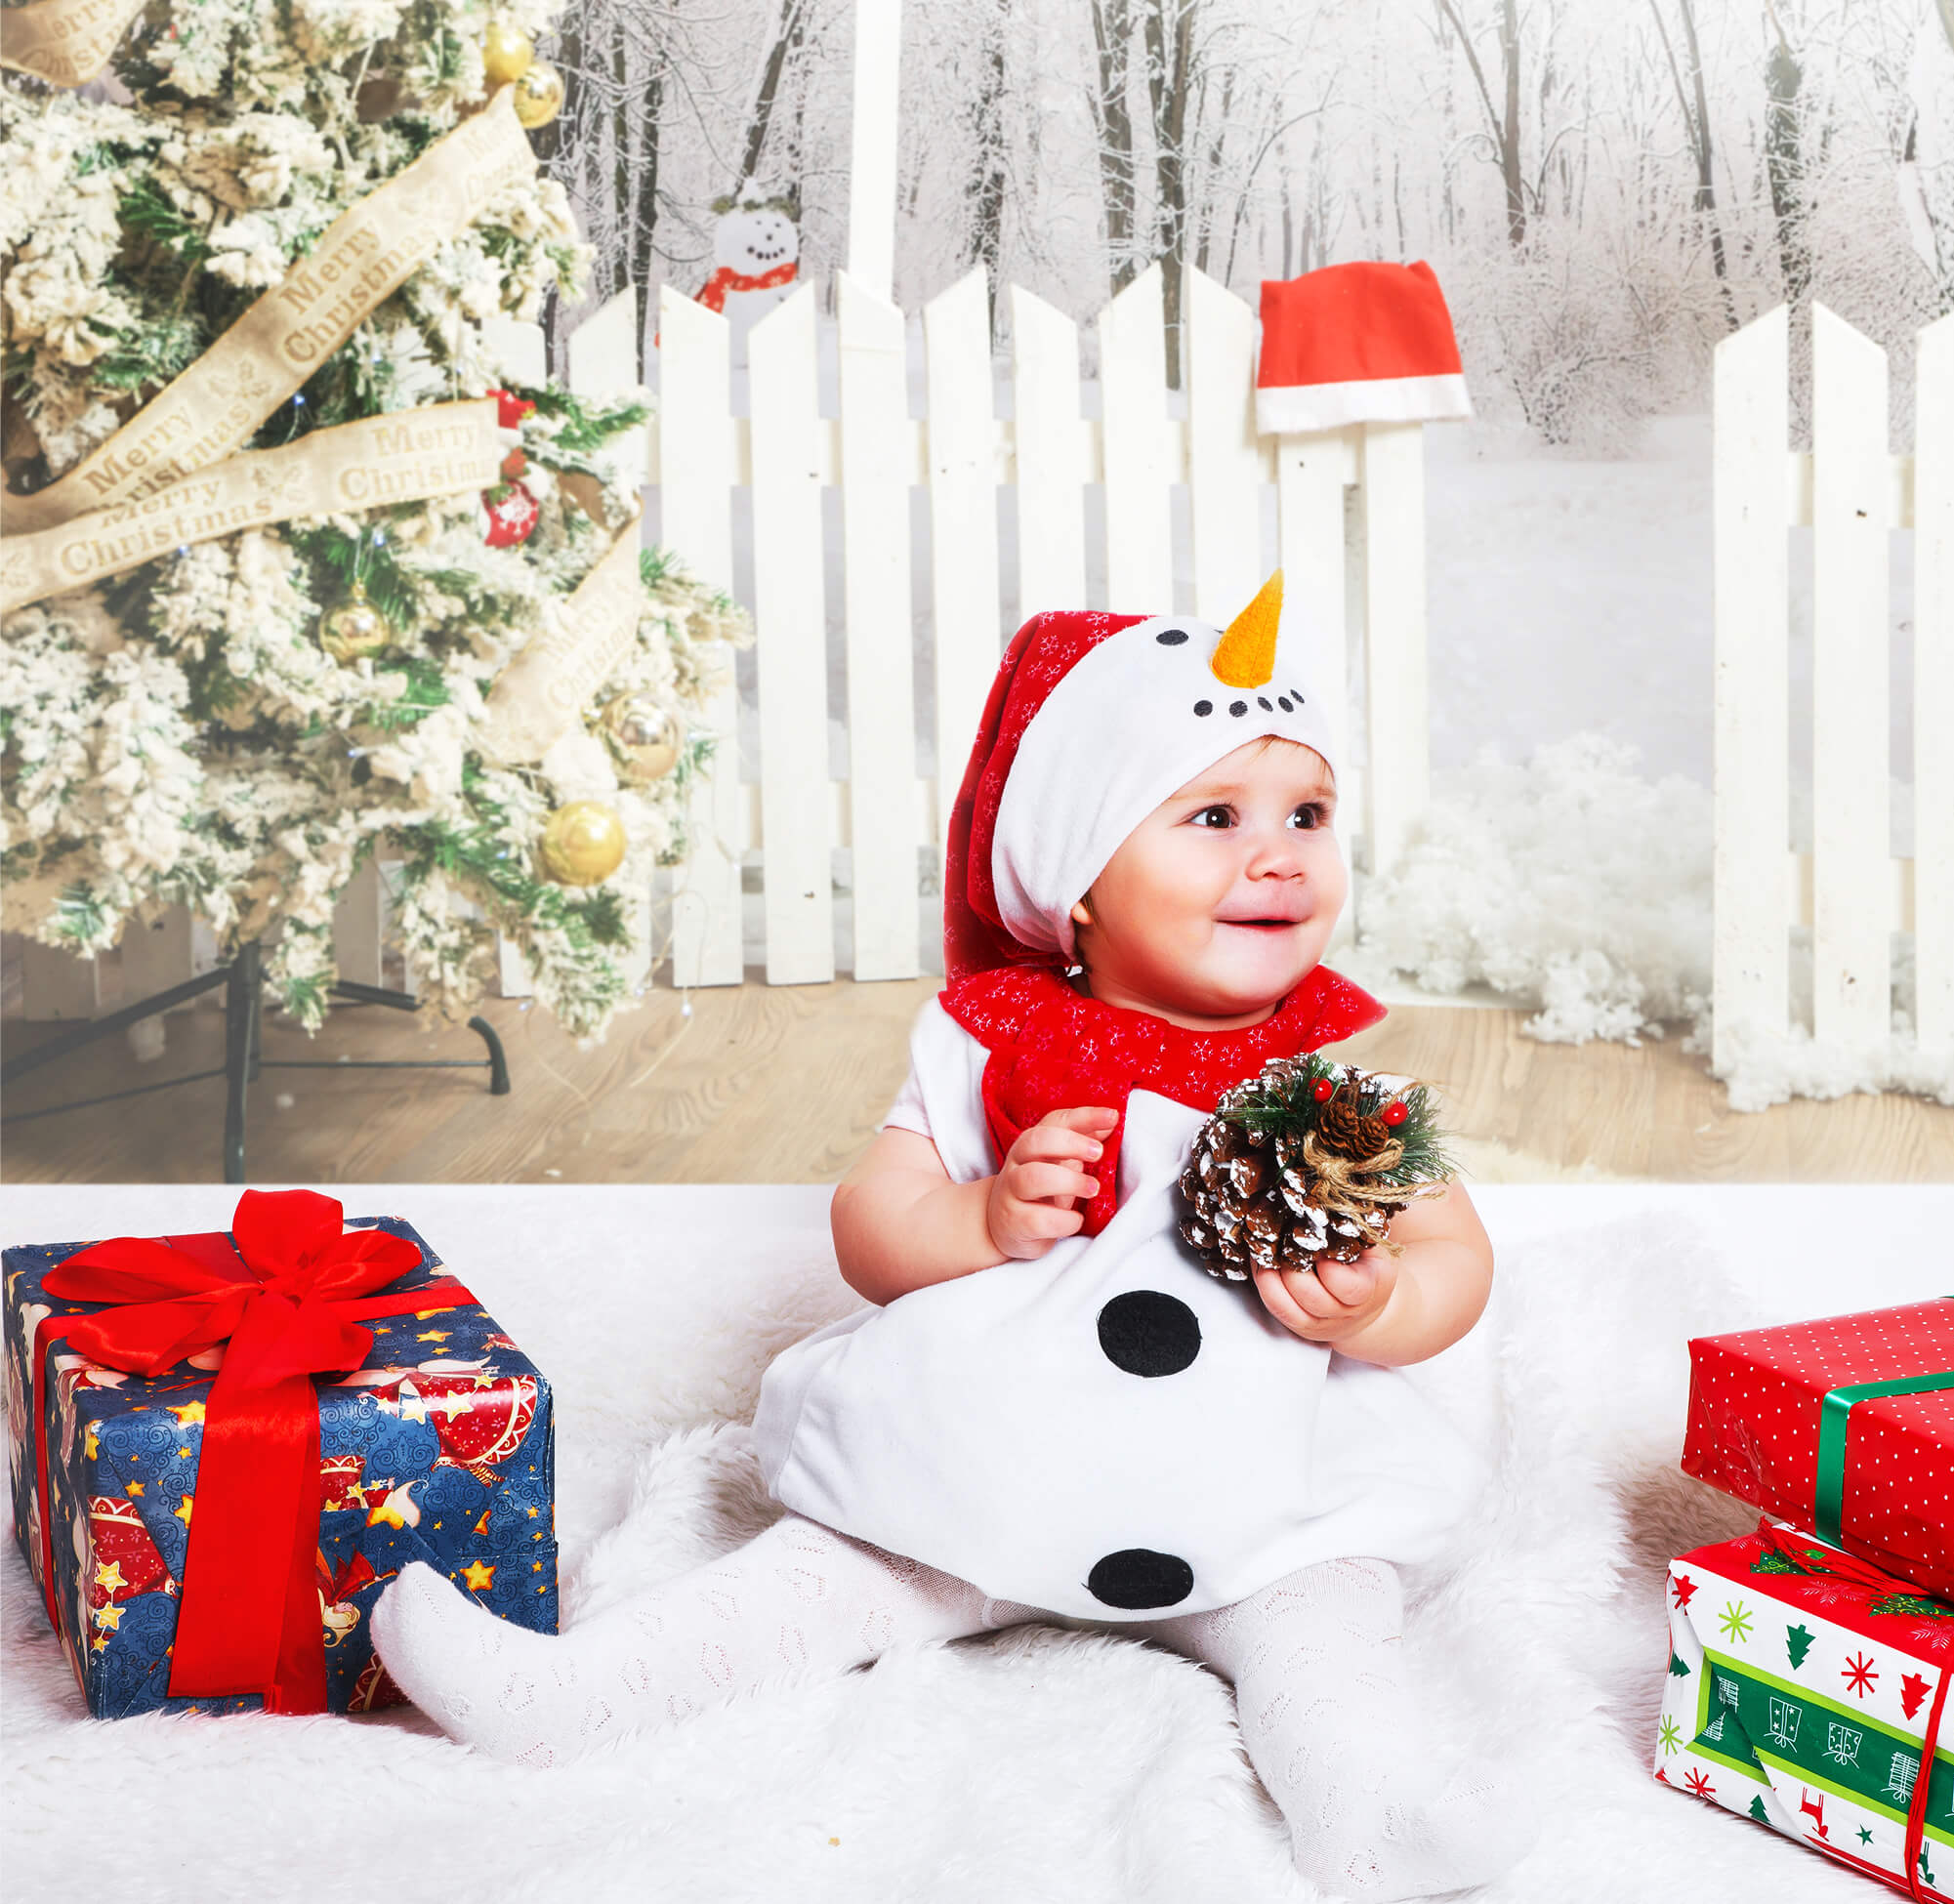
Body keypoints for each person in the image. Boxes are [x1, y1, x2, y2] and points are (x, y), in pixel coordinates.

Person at [373, 576, 1533, 1900]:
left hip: (1263, 1507)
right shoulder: (994, 1050)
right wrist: (976, 1216)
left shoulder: (1329, 1085)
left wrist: (1378, 1306)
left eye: (1308, 816)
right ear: (1076, 882)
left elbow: (1456, 1254)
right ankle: (579, 1691)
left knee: (1324, 1634)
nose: (1278, 855)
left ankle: (1371, 1811)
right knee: (818, 1576)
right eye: (1214, 816)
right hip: (971, 1489)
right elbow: (872, 1226)